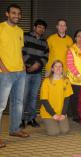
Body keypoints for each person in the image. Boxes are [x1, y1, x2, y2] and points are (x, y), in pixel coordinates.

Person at [0, 4, 29, 148]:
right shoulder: (1, 28)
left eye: (18, 13)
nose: (16, 15)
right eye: (13, 13)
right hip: (5, 73)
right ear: (7, 14)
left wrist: (23, 65)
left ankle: (15, 129)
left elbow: (19, 50)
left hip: (20, 72)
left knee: (18, 103)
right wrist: (3, 67)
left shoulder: (20, 31)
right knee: (1, 105)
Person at [20, 19, 48, 128]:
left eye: (43, 28)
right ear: (34, 27)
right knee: (23, 97)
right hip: (25, 73)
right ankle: (21, 119)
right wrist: (30, 65)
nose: (41, 29)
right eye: (39, 27)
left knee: (33, 97)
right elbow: (20, 51)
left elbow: (46, 56)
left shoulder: (44, 42)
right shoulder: (25, 36)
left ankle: (31, 118)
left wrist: (37, 65)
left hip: (37, 73)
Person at [40, 60, 73, 136]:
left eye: (60, 66)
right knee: (54, 132)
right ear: (52, 69)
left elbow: (67, 99)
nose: (58, 68)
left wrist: (63, 114)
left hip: (61, 112)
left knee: (65, 130)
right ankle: (48, 121)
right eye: (56, 66)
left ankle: (58, 121)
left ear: (62, 68)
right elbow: (44, 100)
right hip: (48, 113)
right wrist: (53, 114)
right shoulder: (46, 81)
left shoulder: (66, 80)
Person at [66, 29, 81, 121]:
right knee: (75, 99)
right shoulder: (71, 50)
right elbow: (70, 64)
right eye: (79, 36)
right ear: (75, 38)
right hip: (76, 79)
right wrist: (78, 75)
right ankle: (76, 116)